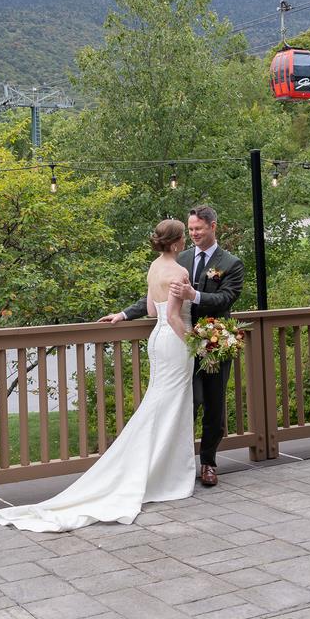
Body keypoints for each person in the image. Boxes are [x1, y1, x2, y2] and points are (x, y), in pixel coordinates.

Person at [0, 219, 196, 532]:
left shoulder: (154, 268)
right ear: (178, 241)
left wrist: (126, 315)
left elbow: (153, 313)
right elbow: (171, 315)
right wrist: (195, 344)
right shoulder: (179, 272)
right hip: (176, 341)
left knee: (158, 404)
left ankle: (152, 467)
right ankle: (165, 473)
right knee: (170, 406)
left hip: (157, 340)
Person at [99, 205, 244, 487]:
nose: (193, 234)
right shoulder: (181, 258)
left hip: (214, 342)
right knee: (189, 401)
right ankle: (178, 462)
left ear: (213, 226)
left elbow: (227, 299)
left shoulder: (231, 263)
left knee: (214, 404)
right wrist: (125, 313)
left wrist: (195, 294)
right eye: (190, 230)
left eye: (198, 229)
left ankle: (209, 463)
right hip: (183, 341)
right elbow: (156, 296)